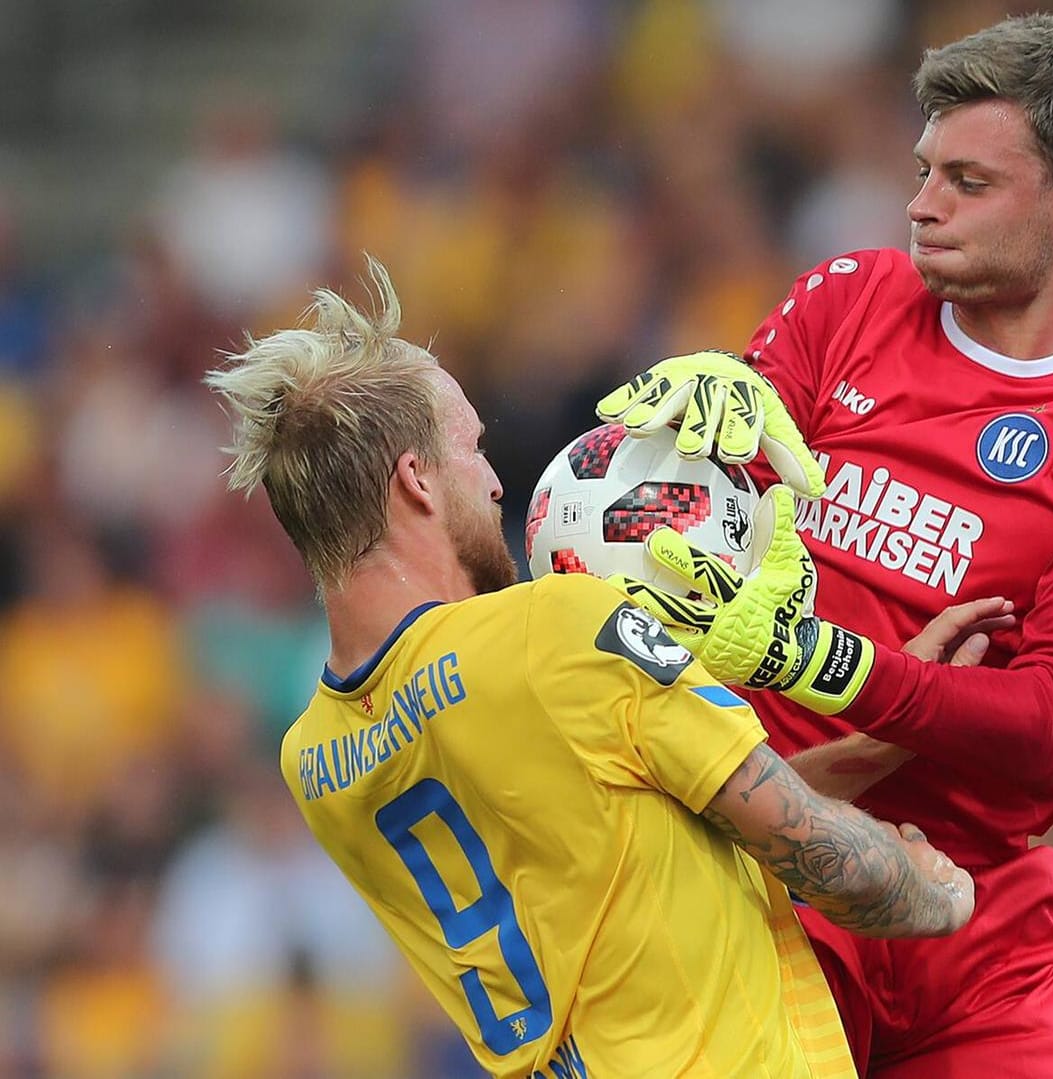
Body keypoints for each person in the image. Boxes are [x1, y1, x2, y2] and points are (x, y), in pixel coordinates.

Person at [592, 12, 1053, 1075]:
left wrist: (818, 661)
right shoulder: (848, 299)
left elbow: (1049, 719)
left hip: (979, 927)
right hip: (765, 885)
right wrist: (650, 457)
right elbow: (679, 555)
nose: (920, 204)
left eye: (968, 183)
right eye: (923, 169)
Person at [202, 258, 976, 1079]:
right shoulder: (555, 629)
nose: (498, 483)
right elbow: (833, 861)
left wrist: (885, 732)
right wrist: (935, 889)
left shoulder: (315, 757)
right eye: (474, 448)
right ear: (416, 480)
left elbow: (663, 825)